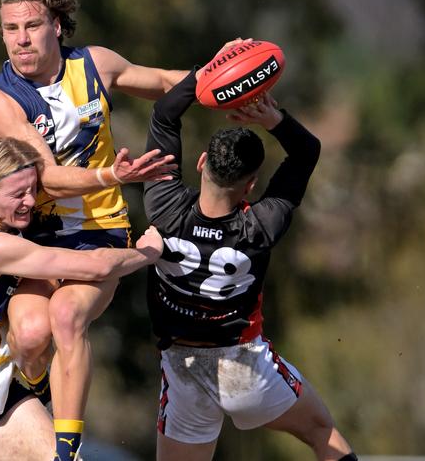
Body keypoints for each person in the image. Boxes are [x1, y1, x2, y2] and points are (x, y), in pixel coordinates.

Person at [0, 0, 193, 459]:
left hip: (101, 232)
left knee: (67, 315)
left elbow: (163, 83)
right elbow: (46, 178)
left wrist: (227, 76)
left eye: (32, 25)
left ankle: (65, 450)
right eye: (10, 28)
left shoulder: (94, 65)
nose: (21, 39)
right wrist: (112, 176)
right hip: (37, 240)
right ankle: (35, 394)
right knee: (30, 334)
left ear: (56, 24)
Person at [142, 51, 358, 460]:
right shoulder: (262, 226)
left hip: (182, 367)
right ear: (252, 183)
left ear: (202, 162)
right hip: (244, 368)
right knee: (321, 431)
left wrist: (208, 72)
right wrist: (271, 117)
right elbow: (306, 151)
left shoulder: (162, 205)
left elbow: (164, 115)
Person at [0, 138, 163, 461]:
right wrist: (148, 252)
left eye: (33, 190)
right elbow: (98, 265)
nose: (30, 202)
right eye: (17, 194)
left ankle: (37, 383)